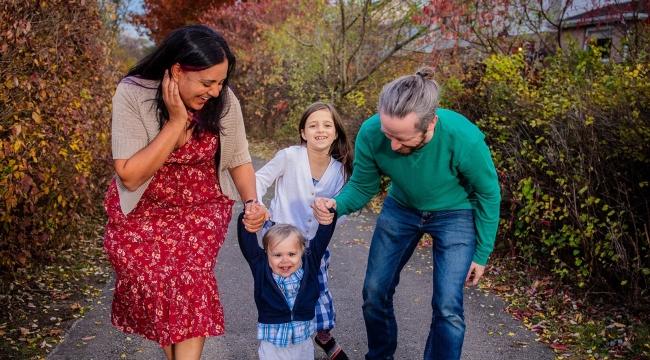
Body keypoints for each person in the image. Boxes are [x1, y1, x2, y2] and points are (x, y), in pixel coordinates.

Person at [313, 67, 501, 360]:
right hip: (401, 209)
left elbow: (488, 193)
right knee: (375, 292)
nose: (392, 145)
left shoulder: (463, 138)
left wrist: (482, 252)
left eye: (402, 138)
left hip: (455, 213)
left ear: (430, 124)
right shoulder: (373, 132)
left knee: (447, 306)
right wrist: (336, 204)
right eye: (389, 133)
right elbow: (363, 186)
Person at [103, 25, 266, 360]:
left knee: (189, 283)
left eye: (221, 82)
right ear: (177, 70)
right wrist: (176, 122)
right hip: (142, 210)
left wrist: (252, 202)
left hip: (201, 207)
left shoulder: (224, 101)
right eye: (207, 82)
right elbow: (130, 177)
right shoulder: (132, 93)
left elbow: (238, 158)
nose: (216, 91)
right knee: (154, 286)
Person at [255, 102, 352, 359]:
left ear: (336, 132)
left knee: (317, 287)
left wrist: (329, 219)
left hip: (315, 241)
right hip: (281, 235)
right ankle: (283, 339)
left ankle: (322, 334)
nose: (320, 130)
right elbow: (260, 179)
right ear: (302, 132)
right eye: (313, 125)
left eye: (327, 125)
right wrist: (258, 205)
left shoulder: (340, 170)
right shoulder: (289, 156)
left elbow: (344, 205)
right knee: (284, 287)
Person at [236, 210, 338, 360]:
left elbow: (322, 238)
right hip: (273, 345)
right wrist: (247, 215)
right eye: (277, 255)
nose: (285, 260)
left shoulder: (310, 264)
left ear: (302, 252)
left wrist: (329, 215)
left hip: (302, 342)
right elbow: (247, 243)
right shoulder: (261, 268)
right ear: (266, 254)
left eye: (291, 254)